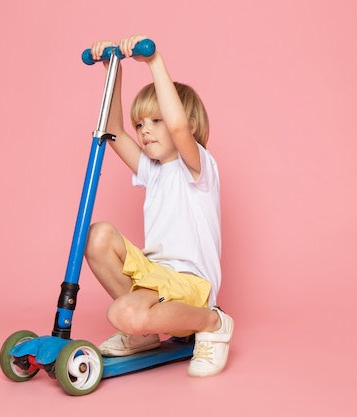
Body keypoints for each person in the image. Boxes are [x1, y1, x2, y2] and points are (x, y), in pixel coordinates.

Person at [84, 34, 233, 377]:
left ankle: (213, 322)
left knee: (124, 315)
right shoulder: (153, 172)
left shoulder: (198, 168)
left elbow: (179, 125)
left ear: (189, 126)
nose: (145, 131)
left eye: (156, 121)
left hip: (190, 285)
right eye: (141, 124)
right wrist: (113, 69)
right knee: (97, 237)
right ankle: (146, 332)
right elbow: (113, 130)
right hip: (156, 278)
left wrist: (154, 63)